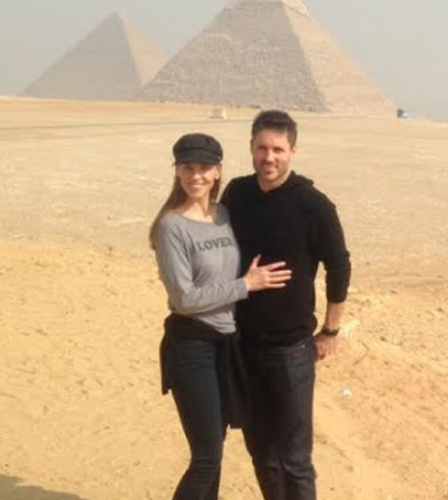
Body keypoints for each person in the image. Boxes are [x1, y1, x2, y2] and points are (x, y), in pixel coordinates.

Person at [149, 132, 292, 500]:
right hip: (191, 343)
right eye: (188, 168)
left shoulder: (223, 215)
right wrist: (246, 284)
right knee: (206, 457)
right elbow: (184, 298)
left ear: (217, 172)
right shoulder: (171, 226)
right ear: (177, 171)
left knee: (215, 449)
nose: (196, 176)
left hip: (225, 344)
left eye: (204, 168)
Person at [221, 110, 351, 500]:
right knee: (261, 452)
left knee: (294, 457)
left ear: (293, 151)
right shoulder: (237, 194)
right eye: (262, 148)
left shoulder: (313, 205)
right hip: (242, 344)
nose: (269, 157)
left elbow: (339, 266)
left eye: (278, 149)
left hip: (290, 350)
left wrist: (330, 330)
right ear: (251, 148)